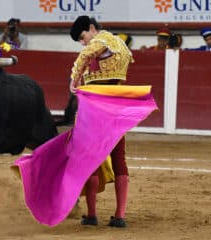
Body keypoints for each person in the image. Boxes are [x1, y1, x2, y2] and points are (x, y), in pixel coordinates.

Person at [69, 15, 133, 228]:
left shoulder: (101, 41)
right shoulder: (121, 45)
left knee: (91, 160)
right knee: (119, 159)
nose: (82, 42)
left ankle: (92, 214)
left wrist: (74, 79)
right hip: (116, 107)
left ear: (92, 28)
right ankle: (120, 215)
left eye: (82, 36)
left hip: (95, 110)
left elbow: (87, 54)